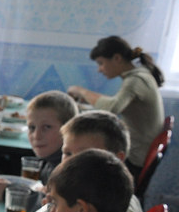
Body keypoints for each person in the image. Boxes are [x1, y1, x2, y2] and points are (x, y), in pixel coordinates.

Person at [67, 36, 164, 175]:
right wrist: (88, 97)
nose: (99, 70)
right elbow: (117, 102)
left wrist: (81, 91)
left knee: (80, 157)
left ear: (117, 58)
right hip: (140, 150)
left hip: (134, 158)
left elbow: (112, 108)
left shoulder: (135, 80)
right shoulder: (140, 75)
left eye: (101, 63)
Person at [60, 111, 147, 212]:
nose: (72, 164)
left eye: (86, 155)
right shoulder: (92, 197)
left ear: (117, 159)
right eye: (67, 153)